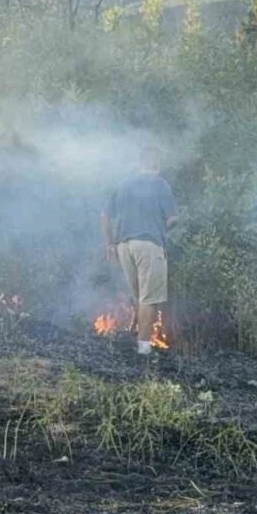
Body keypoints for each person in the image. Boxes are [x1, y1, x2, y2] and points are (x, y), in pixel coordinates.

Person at [101, 146, 179, 356]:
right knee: (150, 299)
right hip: (148, 245)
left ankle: (137, 337)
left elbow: (106, 216)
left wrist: (109, 244)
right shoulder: (160, 184)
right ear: (158, 164)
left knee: (139, 297)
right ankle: (143, 349)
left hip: (124, 247)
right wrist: (161, 225)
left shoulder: (123, 185)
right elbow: (172, 219)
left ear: (139, 163)